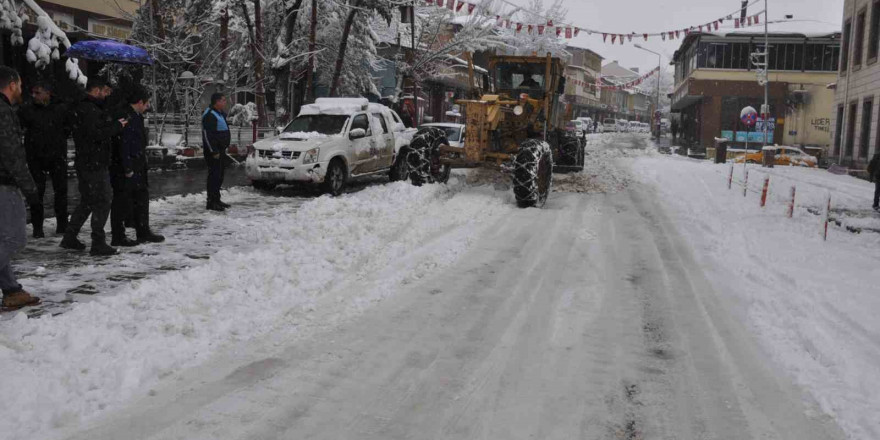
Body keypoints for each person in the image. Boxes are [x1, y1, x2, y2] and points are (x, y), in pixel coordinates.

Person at [61, 78, 127, 256]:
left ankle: (70, 236)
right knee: (103, 200)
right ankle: (98, 242)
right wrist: (116, 126)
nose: (107, 94)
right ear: (97, 90)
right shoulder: (89, 110)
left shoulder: (85, 107)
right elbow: (96, 135)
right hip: (94, 162)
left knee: (88, 201)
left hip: (87, 161)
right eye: (105, 91)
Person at [0, 66, 41, 310]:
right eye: (21, 85)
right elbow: (12, 154)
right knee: (14, 239)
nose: (22, 90)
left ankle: (11, 290)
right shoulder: (4, 112)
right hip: (3, 184)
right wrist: (30, 188)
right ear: (12, 84)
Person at [110, 87, 165, 246]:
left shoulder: (137, 116)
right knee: (122, 200)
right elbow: (124, 143)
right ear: (140, 102)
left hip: (138, 163)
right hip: (127, 166)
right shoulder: (126, 116)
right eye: (146, 103)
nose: (148, 106)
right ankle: (118, 235)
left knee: (141, 198)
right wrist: (127, 167)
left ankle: (143, 230)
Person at [18, 82, 70, 238]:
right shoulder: (28, 110)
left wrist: (59, 139)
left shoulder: (60, 108)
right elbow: (20, 125)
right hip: (36, 156)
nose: (34, 96)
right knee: (37, 193)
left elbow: (67, 127)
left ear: (47, 93)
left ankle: (62, 225)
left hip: (57, 155)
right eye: (33, 92)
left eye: (37, 92)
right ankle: (37, 228)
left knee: (61, 191)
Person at [202, 93, 231, 211]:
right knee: (214, 176)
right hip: (214, 152)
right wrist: (213, 151)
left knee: (219, 176)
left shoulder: (219, 114)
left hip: (221, 150)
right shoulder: (210, 115)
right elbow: (208, 136)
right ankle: (211, 202)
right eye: (223, 100)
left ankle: (217, 199)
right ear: (217, 102)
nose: (225, 103)